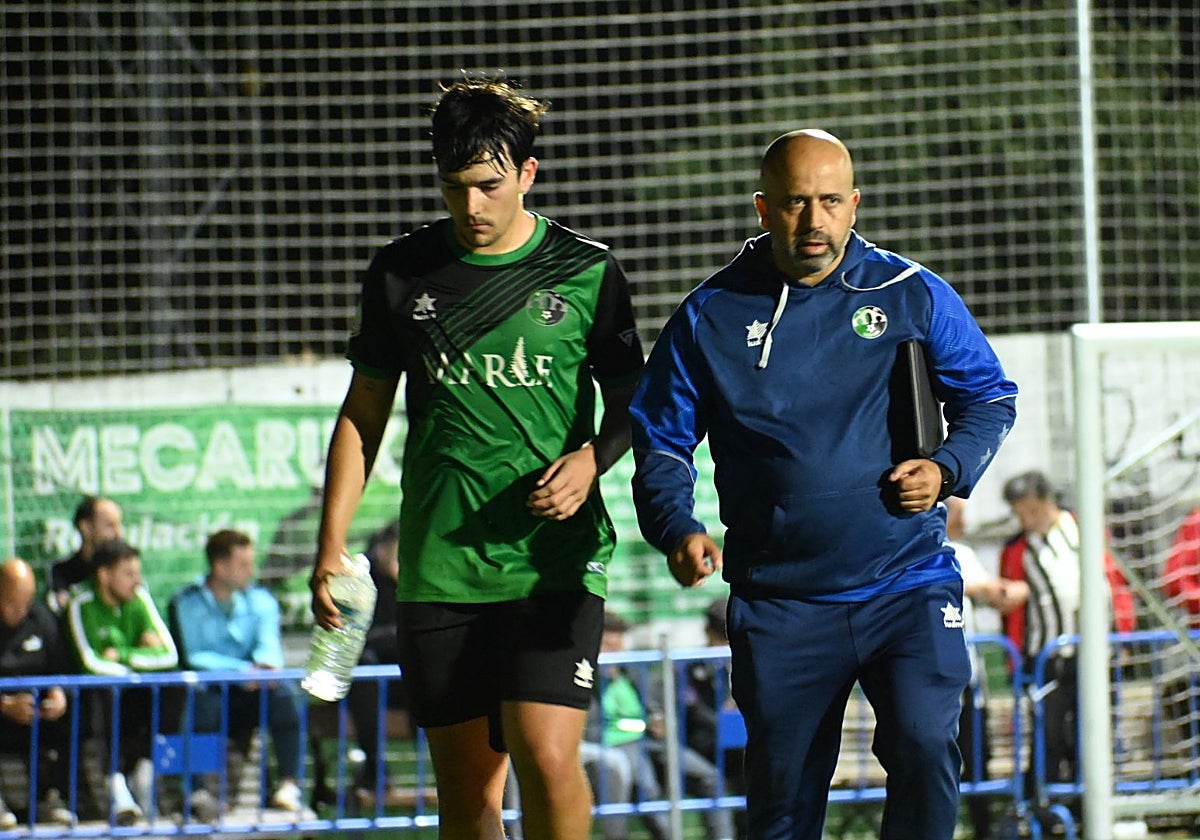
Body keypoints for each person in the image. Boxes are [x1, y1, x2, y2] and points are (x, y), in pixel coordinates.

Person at [628, 128, 1018, 839]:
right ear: (763, 208)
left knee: (926, 745)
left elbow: (989, 398)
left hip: (906, 583)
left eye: (831, 201)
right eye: (796, 203)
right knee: (781, 801)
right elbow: (661, 439)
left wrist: (946, 468)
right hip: (781, 604)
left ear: (855, 203)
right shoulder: (710, 314)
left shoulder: (910, 292)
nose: (815, 220)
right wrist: (676, 526)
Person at [308, 76, 645, 840]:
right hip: (440, 569)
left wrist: (591, 460)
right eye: (454, 186)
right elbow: (362, 415)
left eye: (489, 185)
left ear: (528, 173)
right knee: (467, 798)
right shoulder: (401, 272)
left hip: (553, 562)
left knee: (546, 757)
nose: (471, 205)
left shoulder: (586, 271)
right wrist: (330, 547)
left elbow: (635, 401)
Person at [998, 469, 1135, 790]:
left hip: (1094, 652)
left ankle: (1088, 798)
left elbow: (1114, 583)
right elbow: (1012, 612)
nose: (1028, 520)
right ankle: (1044, 802)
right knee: (1049, 733)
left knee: (1092, 731)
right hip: (1046, 656)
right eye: (1020, 514)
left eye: (1032, 511)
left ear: (1048, 502)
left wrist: (1124, 635)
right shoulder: (1018, 549)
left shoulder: (1082, 529)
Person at [167, 529, 305, 815]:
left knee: (285, 695)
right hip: (212, 692)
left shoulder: (262, 600)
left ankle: (288, 785)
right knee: (202, 700)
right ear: (219, 566)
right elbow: (195, 655)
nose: (251, 571)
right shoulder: (185, 602)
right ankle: (199, 791)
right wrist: (243, 671)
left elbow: (269, 646)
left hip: (252, 693)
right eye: (243, 564)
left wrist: (265, 668)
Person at [64, 538, 178, 826]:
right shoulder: (81, 603)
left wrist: (123, 655)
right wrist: (141, 655)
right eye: (128, 574)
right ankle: (115, 785)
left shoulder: (140, 598)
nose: (137, 581)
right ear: (104, 575)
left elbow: (169, 655)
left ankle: (145, 774)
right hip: (95, 698)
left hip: (133, 690)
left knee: (174, 686)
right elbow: (89, 662)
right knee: (104, 690)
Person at [947, 497, 1025, 840]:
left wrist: (1011, 591)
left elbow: (993, 593)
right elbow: (979, 586)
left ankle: (983, 828)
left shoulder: (964, 552)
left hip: (970, 679)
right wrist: (987, 588)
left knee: (979, 755)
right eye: (959, 515)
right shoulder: (929, 550)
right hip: (940, 678)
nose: (964, 523)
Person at [0, 557, 76, 827]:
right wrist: (5, 704)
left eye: (26, 603)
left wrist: (57, 694)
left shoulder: (41, 619)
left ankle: (51, 797)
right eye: (12, 603)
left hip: (35, 712)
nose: (19, 611)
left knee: (73, 713)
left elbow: (59, 667)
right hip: (3, 710)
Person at [47, 495, 123, 613]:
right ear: (86, 528)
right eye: (110, 526)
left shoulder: (123, 571)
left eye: (119, 525)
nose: (118, 533)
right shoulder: (62, 572)